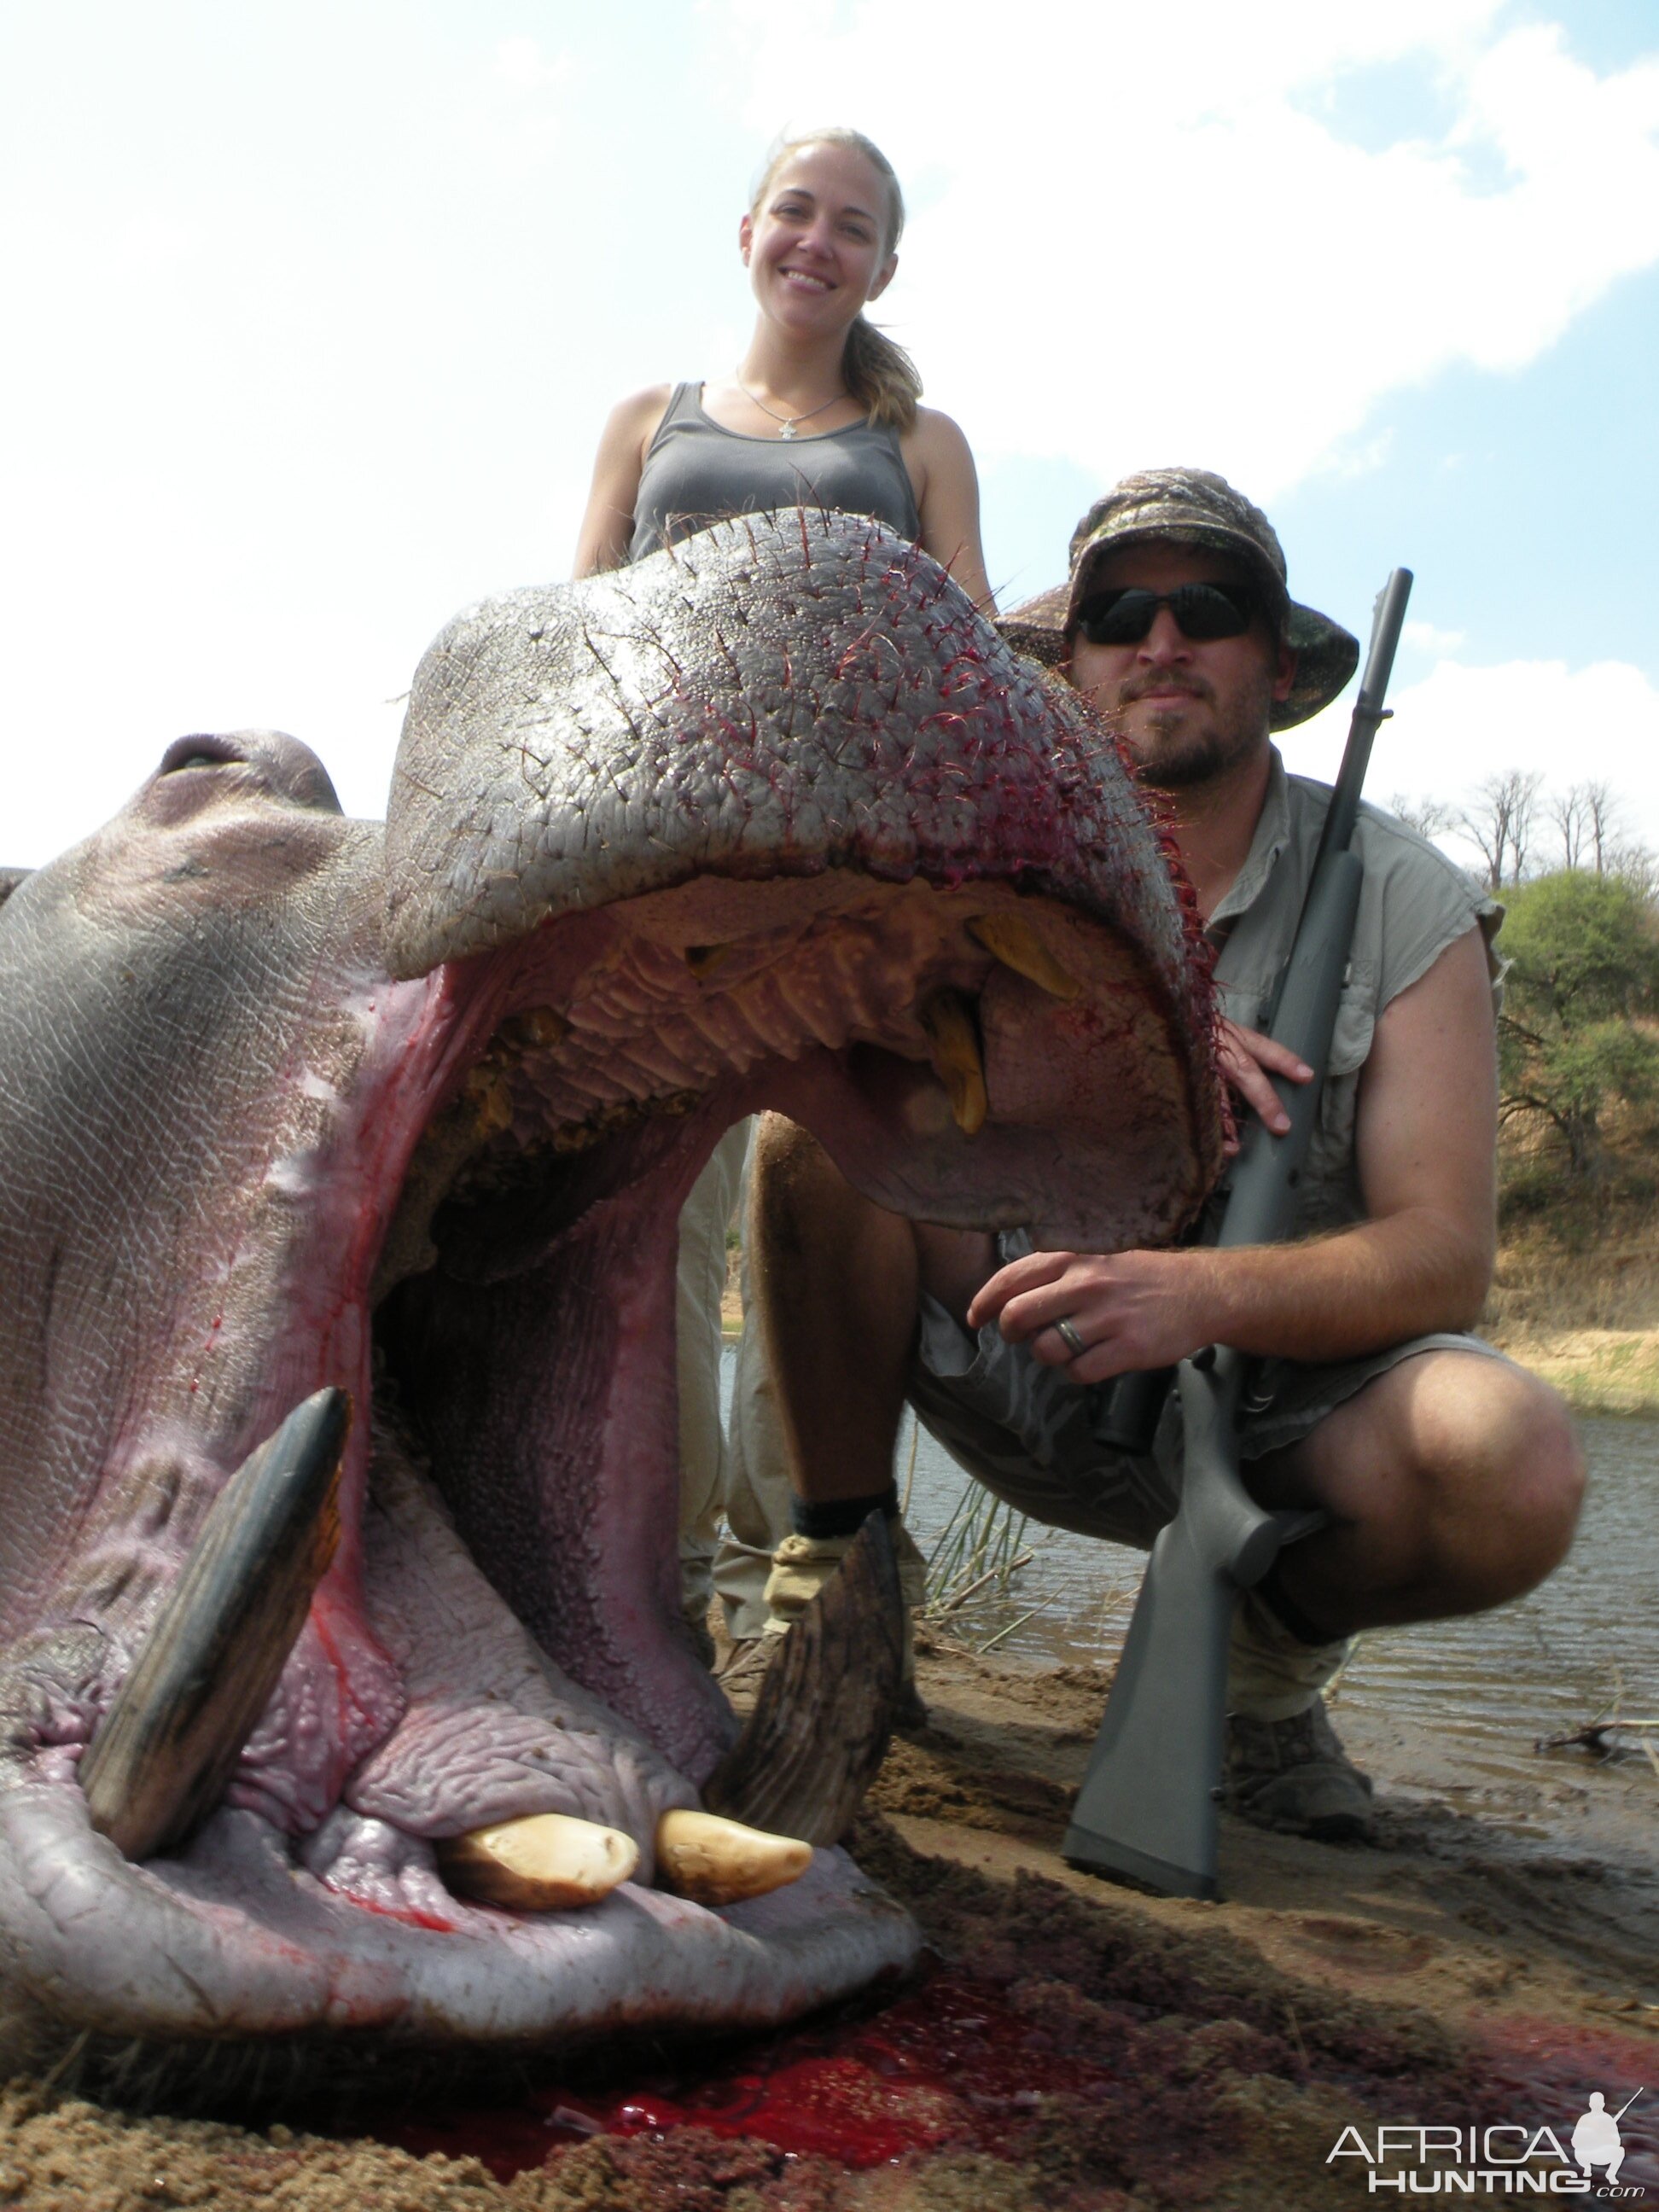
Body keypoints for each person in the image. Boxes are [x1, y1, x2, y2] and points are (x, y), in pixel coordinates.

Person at [746, 467, 1586, 1840]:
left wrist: (1193, 1299)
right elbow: (814, 1031)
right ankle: (839, 1590)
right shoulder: (969, 856)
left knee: (1515, 1460)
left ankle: (1255, 1679)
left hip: (1276, 1426)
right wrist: (1130, 1034)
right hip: (1028, 1342)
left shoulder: (1406, 895)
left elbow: (1444, 1258)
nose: (1163, 640)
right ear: (1071, 665)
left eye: (1210, 605)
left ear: (1274, 660)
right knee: (814, 1132)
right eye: (1121, 613)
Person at [572, 128, 991, 1657]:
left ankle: (801, 1579)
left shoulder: (920, 440)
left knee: (811, 1201)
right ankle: (646, 1583)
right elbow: (581, 638)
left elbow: (964, 649)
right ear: (746, 229)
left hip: (850, 885)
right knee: (647, 1225)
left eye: (855, 226)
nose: (819, 242)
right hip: (660, 870)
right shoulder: (646, 419)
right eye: (796, 212)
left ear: (886, 264)